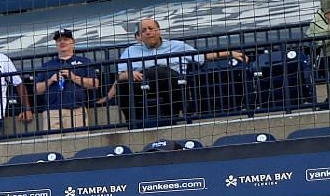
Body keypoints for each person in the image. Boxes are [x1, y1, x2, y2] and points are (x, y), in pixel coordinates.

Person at [114, 19, 244, 125]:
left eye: (151, 29)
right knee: (122, 85)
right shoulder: (131, 50)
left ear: (159, 31)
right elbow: (120, 75)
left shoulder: (177, 46)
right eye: (144, 30)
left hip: (171, 80)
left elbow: (202, 57)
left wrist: (229, 53)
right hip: (142, 81)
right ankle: (133, 122)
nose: (148, 32)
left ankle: (171, 118)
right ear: (140, 36)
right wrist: (129, 74)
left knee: (162, 72)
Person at [34, 29, 101, 133]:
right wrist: (51, 80)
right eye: (59, 40)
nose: (62, 42)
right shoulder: (48, 65)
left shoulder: (83, 62)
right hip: (52, 112)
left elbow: (95, 84)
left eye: (65, 39)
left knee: (78, 144)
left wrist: (74, 77)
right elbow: (37, 89)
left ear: (73, 42)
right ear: (56, 44)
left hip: (76, 110)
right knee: (52, 145)